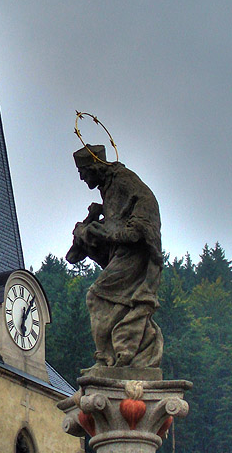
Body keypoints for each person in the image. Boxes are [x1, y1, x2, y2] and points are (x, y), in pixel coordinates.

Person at [66, 144, 163, 368]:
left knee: (97, 296)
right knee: (123, 302)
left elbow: (147, 205)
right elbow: (73, 256)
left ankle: (108, 356)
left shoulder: (122, 180)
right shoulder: (108, 186)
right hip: (124, 251)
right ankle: (130, 350)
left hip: (134, 253)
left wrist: (119, 232)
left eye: (83, 172)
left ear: (95, 167)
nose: (82, 178)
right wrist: (94, 219)